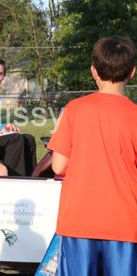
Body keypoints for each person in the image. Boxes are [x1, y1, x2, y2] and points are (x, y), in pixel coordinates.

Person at [48, 36, 137, 276]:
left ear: (93, 71)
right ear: (132, 72)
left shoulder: (75, 108)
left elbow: (58, 165)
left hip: (78, 220)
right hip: (125, 222)